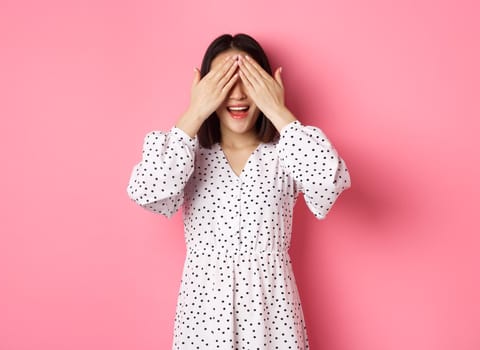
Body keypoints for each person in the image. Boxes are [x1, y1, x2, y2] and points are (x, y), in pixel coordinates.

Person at [127, 33, 351, 350]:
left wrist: (279, 111)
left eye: (249, 79)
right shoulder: (186, 155)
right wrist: (194, 113)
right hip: (203, 320)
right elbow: (146, 192)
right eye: (223, 81)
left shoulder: (286, 154)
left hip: (273, 317)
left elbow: (329, 182)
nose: (237, 94)